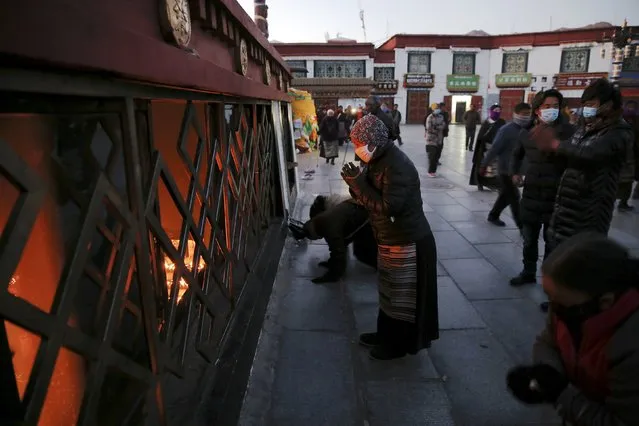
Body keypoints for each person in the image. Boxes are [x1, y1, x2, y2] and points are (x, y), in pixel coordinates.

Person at [506, 233, 639, 426]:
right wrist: (546, 374)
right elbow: (548, 341)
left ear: (605, 302)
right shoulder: (570, 309)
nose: (553, 309)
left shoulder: (631, 347)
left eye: (558, 302)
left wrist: (560, 394)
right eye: (549, 298)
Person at [341, 114, 439, 361]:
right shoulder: (378, 159)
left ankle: (397, 344)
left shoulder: (398, 166)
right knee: (388, 293)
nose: (356, 149)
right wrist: (357, 183)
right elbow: (369, 197)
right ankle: (385, 334)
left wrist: (358, 184)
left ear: (373, 141)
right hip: (390, 238)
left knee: (402, 298)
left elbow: (387, 207)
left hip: (407, 241)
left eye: (358, 143)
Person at [536, 78, 633, 251]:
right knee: (557, 256)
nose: (587, 108)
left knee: (578, 259)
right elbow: (572, 154)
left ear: (608, 105)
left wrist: (556, 145)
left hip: (590, 209)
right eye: (585, 104)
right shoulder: (585, 127)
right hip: (566, 205)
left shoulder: (619, 132)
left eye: (592, 104)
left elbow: (591, 154)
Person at [510, 90, 575, 287]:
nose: (551, 110)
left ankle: (550, 280)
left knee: (552, 243)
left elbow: (576, 157)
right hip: (531, 193)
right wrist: (515, 172)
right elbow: (516, 155)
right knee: (529, 239)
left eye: (555, 106)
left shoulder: (568, 133)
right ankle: (528, 271)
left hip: (557, 195)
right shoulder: (526, 132)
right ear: (538, 109)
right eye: (547, 106)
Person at [288, 194, 377, 283]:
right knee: (343, 241)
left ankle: (386, 269)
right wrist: (331, 263)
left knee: (362, 253)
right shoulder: (322, 220)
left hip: (368, 218)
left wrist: (332, 275)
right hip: (356, 211)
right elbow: (337, 246)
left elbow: (338, 252)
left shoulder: (328, 228)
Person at [480, 102, 530, 228]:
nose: (526, 116)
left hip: (517, 170)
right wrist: (484, 165)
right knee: (514, 197)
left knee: (506, 196)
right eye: (524, 114)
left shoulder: (529, 129)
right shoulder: (506, 130)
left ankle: (493, 215)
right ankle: (522, 227)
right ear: (516, 114)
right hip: (505, 170)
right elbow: (494, 149)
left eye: (528, 114)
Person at [469, 104, 506, 191]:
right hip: (485, 148)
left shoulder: (502, 122)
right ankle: (480, 183)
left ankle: (495, 185)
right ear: (491, 111)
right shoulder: (486, 123)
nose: (497, 112)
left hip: (498, 148)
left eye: (499, 110)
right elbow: (481, 136)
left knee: (495, 168)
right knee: (482, 166)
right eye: (495, 110)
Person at [618, 100, 639, 210]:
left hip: (631, 158)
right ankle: (622, 202)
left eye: (633, 107)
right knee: (624, 181)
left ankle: (623, 202)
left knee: (627, 182)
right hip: (624, 158)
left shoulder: (634, 122)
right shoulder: (620, 123)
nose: (631, 109)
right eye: (629, 107)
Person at [425, 103, 445, 177]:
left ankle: (434, 171)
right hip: (431, 140)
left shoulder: (441, 116)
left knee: (437, 156)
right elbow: (429, 128)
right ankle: (430, 171)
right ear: (433, 109)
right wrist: (437, 128)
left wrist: (436, 127)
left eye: (438, 108)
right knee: (432, 156)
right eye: (436, 108)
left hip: (439, 139)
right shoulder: (429, 118)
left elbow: (443, 125)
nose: (437, 109)